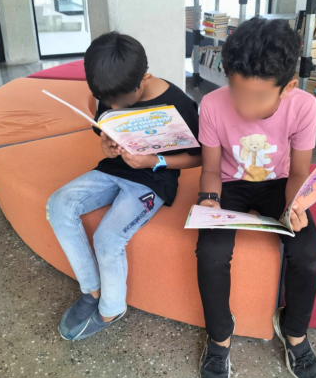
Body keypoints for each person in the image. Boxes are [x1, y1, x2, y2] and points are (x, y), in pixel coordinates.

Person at [46, 31, 201, 341]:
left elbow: (199, 157)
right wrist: (106, 144)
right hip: (114, 168)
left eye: (120, 101)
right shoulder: (110, 91)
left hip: (154, 178)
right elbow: (104, 127)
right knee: (58, 205)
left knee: (108, 237)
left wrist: (153, 161)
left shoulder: (179, 103)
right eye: (107, 101)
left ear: (144, 79)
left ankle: (111, 307)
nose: (112, 105)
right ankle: (91, 290)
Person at [195, 17, 316, 378]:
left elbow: (299, 172)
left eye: (259, 97)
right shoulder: (213, 105)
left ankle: (294, 331)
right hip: (230, 184)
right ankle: (219, 337)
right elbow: (211, 170)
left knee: (309, 249)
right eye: (236, 91)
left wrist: (295, 206)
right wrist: (210, 201)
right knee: (211, 252)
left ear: (289, 88)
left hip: (280, 185)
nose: (245, 107)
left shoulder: (304, 107)